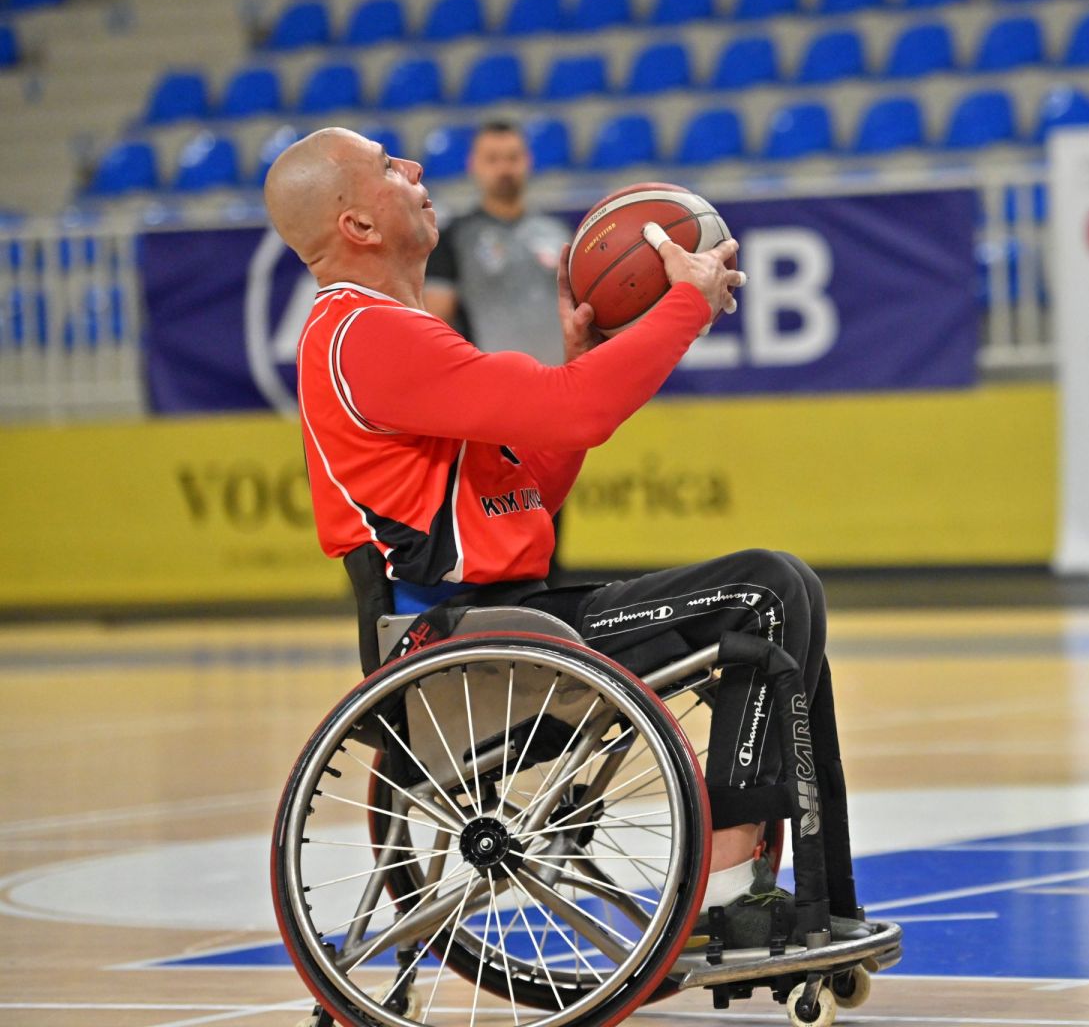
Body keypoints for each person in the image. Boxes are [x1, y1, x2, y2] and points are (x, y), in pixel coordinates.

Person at [262, 127, 861, 945]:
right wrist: (685, 304)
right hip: (470, 644)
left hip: (500, 625)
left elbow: (526, 496)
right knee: (767, 590)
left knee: (777, 593)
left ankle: (795, 895)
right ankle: (725, 895)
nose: (415, 167)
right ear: (358, 225)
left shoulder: (385, 330)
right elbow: (577, 408)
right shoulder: (364, 333)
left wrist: (584, 355)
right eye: (388, 167)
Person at [423, 120, 571, 364]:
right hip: (493, 381)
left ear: (528, 161)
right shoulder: (453, 238)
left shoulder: (558, 232)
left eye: (513, 158)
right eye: (492, 159)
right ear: (473, 165)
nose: (504, 168)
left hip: (561, 378)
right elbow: (435, 322)